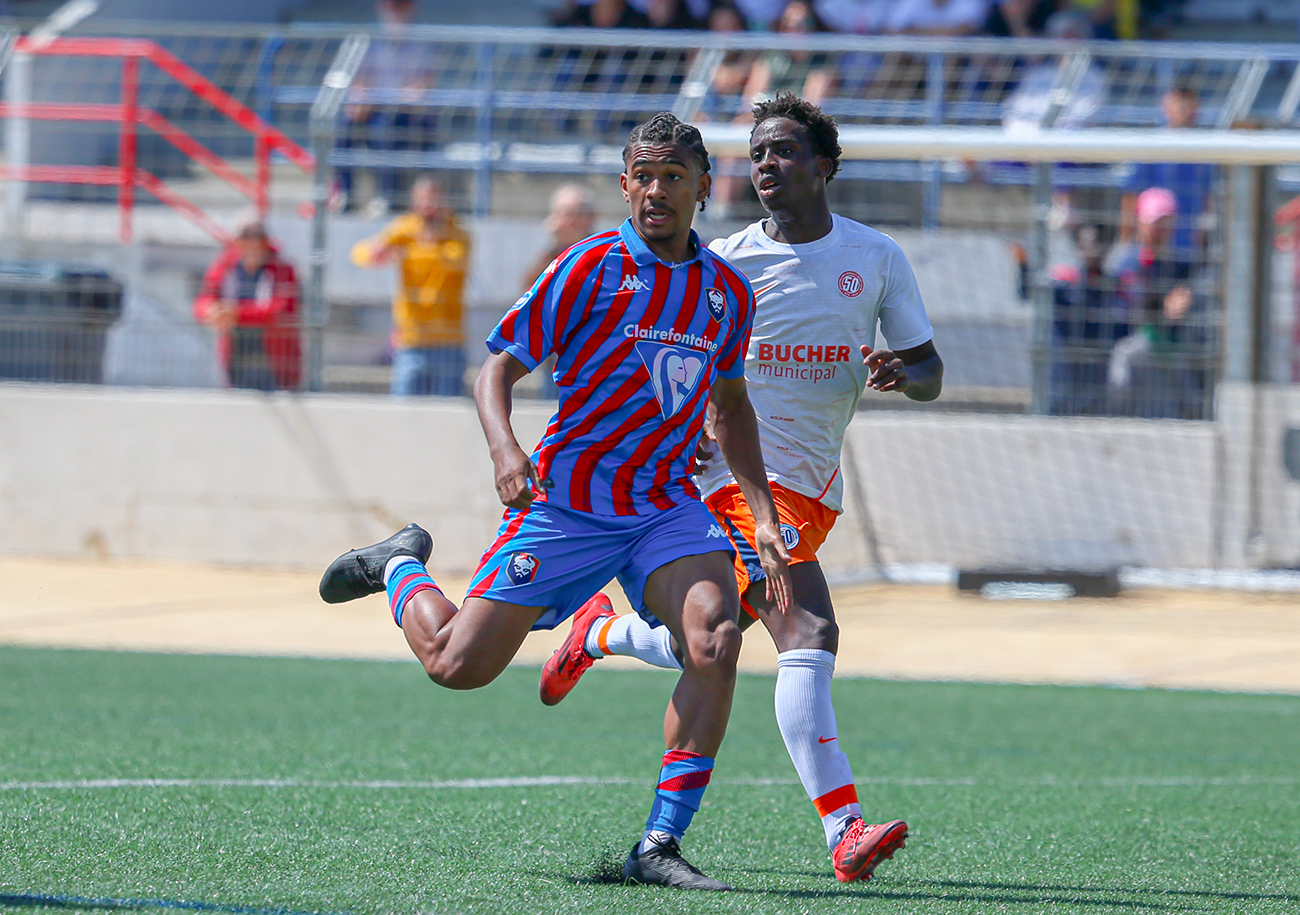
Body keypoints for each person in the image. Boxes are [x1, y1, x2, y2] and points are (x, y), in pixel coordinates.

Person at [320, 113, 793, 892]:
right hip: (566, 508)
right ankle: (401, 566)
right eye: (642, 176)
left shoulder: (725, 294)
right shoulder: (590, 268)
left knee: (715, 639)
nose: (655, 190)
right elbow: (496, 370)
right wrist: (507, 448)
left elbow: (734, 407)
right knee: (455, 665)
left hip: (664, 509)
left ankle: (659, 844)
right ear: (624, 185)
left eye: (673, 176)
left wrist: (763, 515)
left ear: (704, 188)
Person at [538, 92, 943, 884]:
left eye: (786, 150)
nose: (768, 163)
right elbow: (680, 362)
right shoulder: (722, 262)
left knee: (709, 639)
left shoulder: (878, 256)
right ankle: (844, 831)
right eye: (758, 151)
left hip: (812, 491)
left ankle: (600, 635)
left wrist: (905, 373)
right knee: (809, 634)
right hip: (736, 487)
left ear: (824, 166)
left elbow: (929, 367)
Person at [351, 176, 469, 397]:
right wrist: (377, 252)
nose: (429, 209)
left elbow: (453, 262)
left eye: (434, 202)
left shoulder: (458, 234)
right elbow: (361, 254)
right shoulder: (405, 229)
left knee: (448, 414)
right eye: (424, 203)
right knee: (404, 412)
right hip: (411, 339)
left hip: (448, 341)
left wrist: (410, 251)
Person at [1108, 186, 1213, 419]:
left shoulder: (1178, 265)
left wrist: (1181, 309)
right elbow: (1126, 312)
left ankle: (1194, 416)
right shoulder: (1126, 262)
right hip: (1137, 341)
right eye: (1155, 221)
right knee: (1128, 356)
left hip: (1172, 345)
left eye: (1165, 221)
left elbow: (1191, 298)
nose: (1160, 229)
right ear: (1140, 223)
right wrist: (1164, 314)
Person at [335, 0, 436, 217]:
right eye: (390, 6)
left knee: (385, 129)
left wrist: (385, 99)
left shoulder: (422, 42)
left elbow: (422, 85)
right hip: (375, 107)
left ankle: (387, 196)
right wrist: (360, 100)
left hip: (406, 113)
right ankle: (346, 194)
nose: (394, 12)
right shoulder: (371, 40)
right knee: (343, 126)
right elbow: (362, 80)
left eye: (399, 5)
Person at [193, 215, 302, 391]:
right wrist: (210, 311)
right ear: (237, 241)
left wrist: (236, 314)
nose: (252, 242)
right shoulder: (226, 266)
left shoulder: (283, 269)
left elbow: (281, 309)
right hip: (236, 356)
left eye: (257, 236)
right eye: (246, 236)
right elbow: (205, 297)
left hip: (273, 359)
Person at [1118, 82, 1216, 268]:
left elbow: (1208, 197)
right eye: (1178, 104)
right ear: (1165, 107)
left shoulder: (1204, 151)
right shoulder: (1152, 147)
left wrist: (1204, 235)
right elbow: (1131, 195)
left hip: (1187, 247)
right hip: (1151, 248)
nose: (1183, 109)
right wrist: (1125, 240)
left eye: (1188, 104)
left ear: (1197, 108)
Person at [520, 184, 599, 400]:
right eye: (564, 214)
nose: (569, 221)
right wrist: (554, 244)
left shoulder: (603, 253)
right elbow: (530, 290)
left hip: (592, 356)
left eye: (574, 214)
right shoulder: (550, 254)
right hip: (555, 355)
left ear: (590, 217)